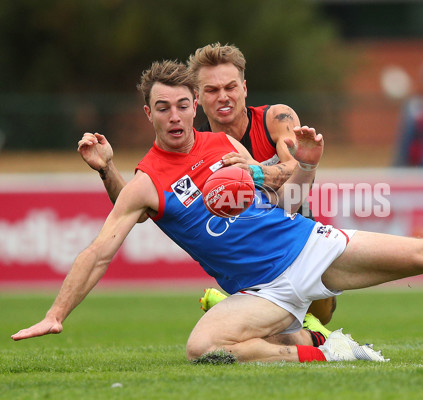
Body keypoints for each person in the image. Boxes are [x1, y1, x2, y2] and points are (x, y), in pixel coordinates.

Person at [12, 60, 423, 364]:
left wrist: (275, 172)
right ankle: (325, 353)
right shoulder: (143, 182)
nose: (177, 116)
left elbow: (278, 183)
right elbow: (100, 248)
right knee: (202, 347)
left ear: (194, 108)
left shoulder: (224, 146)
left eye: (185, 105)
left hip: (308, 247)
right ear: (149, 113)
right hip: (259, 292)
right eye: (163, 108)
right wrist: (57, 313)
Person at [78, 42, 337, 327]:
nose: (223, 97)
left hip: (293, 222)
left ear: (245, 88)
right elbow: (138, 210)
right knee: (273, 326)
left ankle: (230, 306)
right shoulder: (194, 147)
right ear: (198, 97)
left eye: (231, 87)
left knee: (322, 310)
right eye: (212, 90)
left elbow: (295, 168)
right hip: (247, 250)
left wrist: (253, 173)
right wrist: (106, 169)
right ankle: (245, 306)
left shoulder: (275, 118)